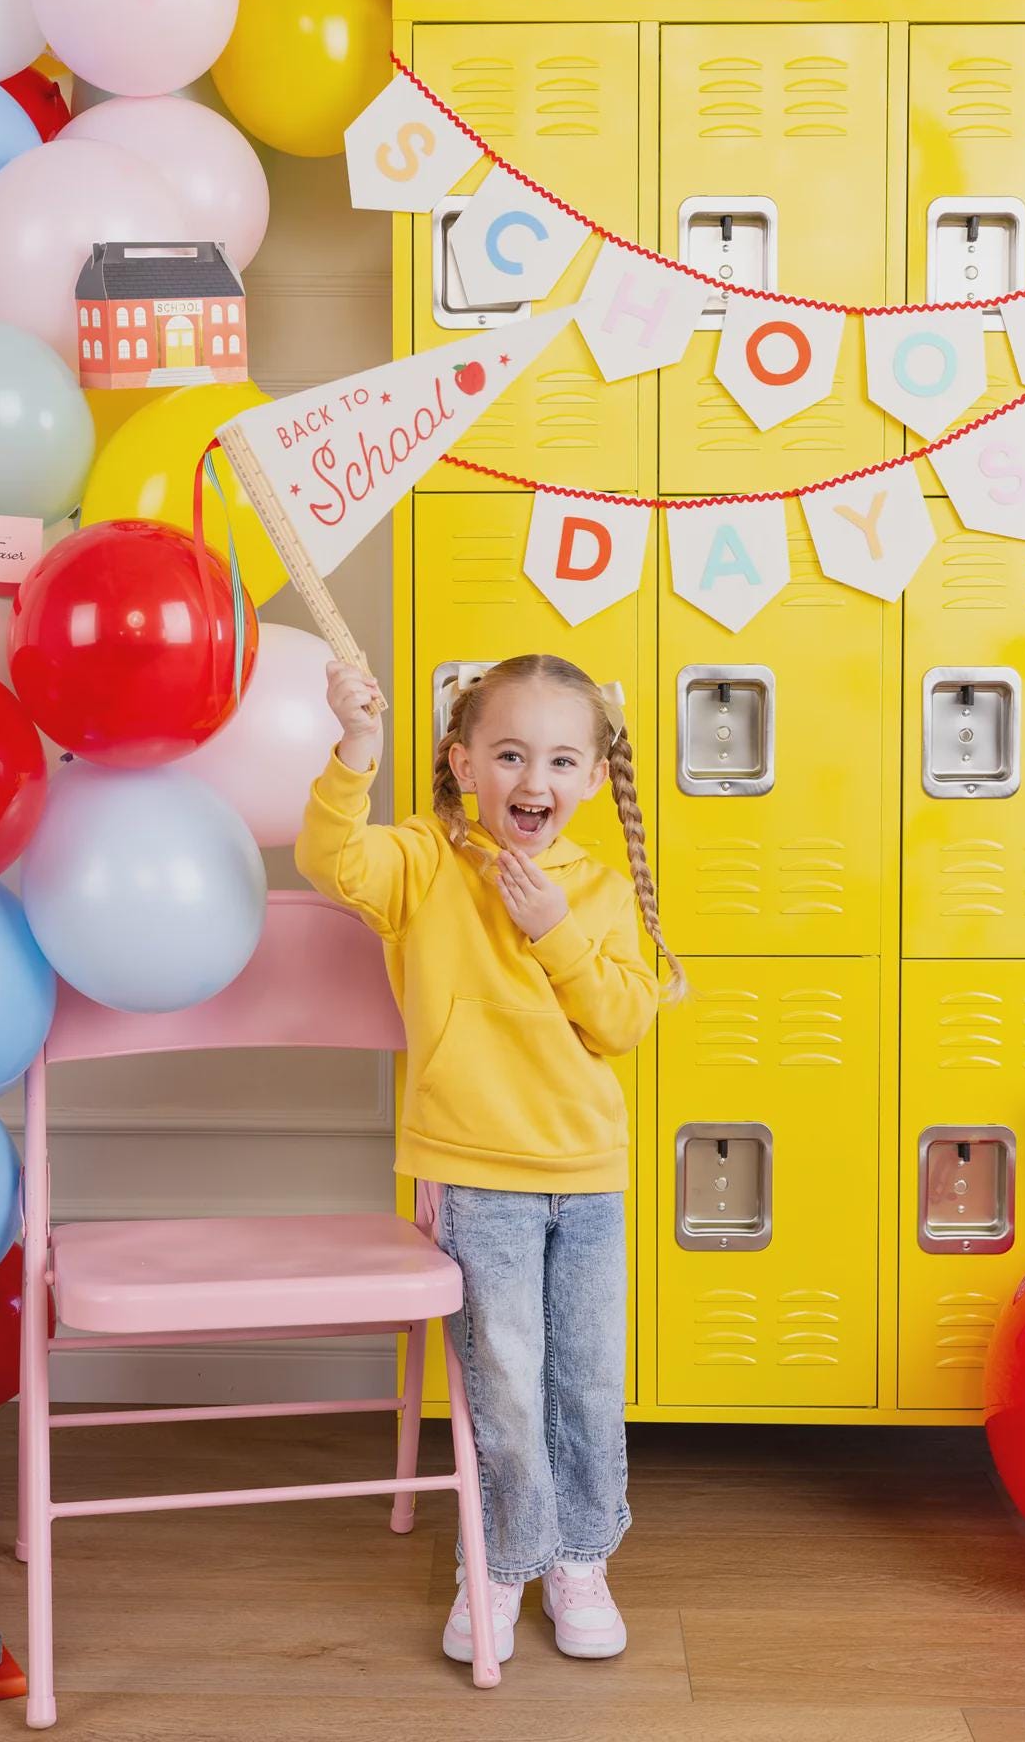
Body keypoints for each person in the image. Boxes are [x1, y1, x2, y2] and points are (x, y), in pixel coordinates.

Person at [297, 652, 683, 1667]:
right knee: (505, 1387)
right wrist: (356, 748)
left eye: (559, 760)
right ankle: (503, 1559)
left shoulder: (600, 891)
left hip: (587, 1178)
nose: (533, 780)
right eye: (509, 755)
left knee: (588, 1384)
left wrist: (555, 933)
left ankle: (582, 1558)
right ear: (465, 764)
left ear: (591, 777)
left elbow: (624, 1021)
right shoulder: (425, 860)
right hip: (476, 1176)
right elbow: (331, 860)